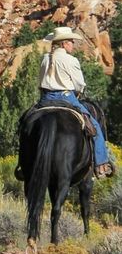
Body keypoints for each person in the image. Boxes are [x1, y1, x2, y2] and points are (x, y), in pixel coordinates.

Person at [39, 26, 113, 178]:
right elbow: (80, 84)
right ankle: (101, 165)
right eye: (71, 41)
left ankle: (23, 164)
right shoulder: (71, 60)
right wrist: (78, 92)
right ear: (64, 43)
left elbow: (40, 81)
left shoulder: (45, 58)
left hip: (45, 98)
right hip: (66, 97)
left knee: (25, 122)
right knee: (95, 128)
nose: (73, 43)